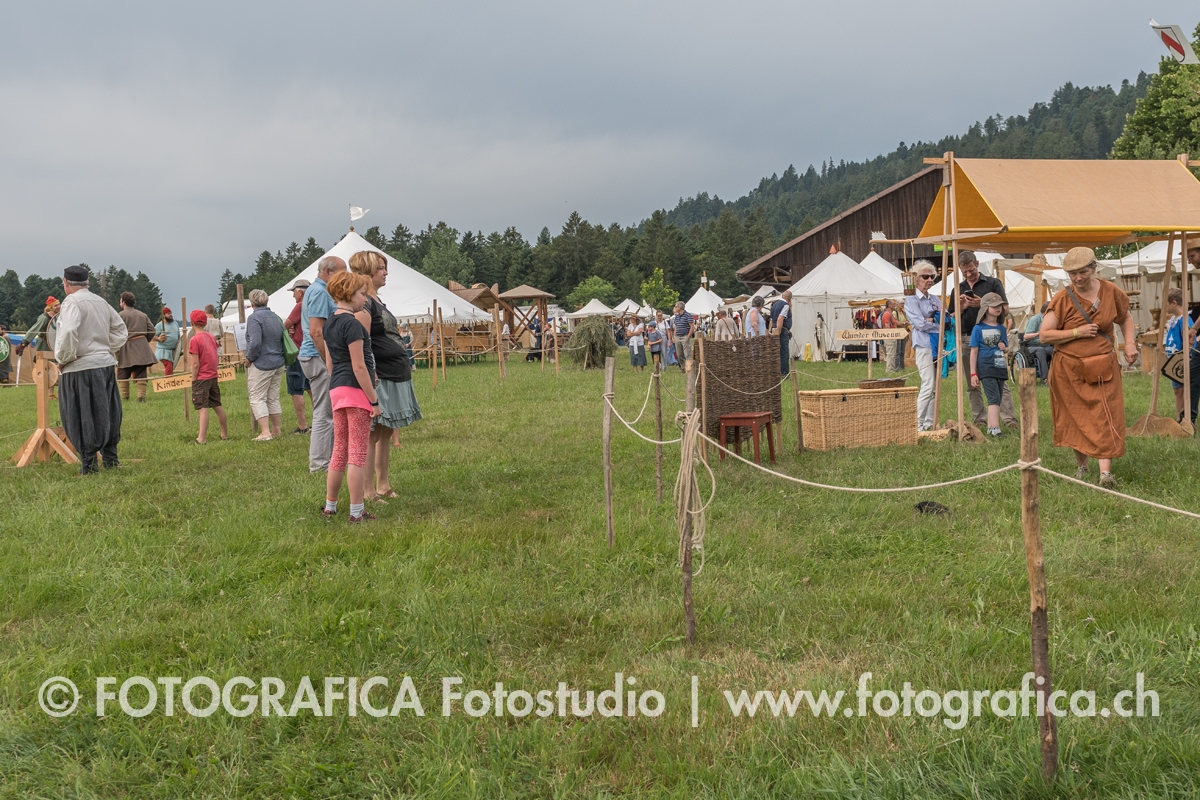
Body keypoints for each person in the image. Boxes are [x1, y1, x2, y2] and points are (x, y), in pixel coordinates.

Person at [1038, 247, 1137, 489]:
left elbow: (1125, 317)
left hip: (1103, 367)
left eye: (1082, 272)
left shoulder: (1111, 291)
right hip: (1068, 371)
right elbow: (1044, 335)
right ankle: (1082, 466)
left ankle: (1105, 474)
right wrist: (1076, 332)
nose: (1078, 278)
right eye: (1072, 274)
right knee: (1076, 418)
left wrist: (1130, 344)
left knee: (1106, 415)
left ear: (1094, 268)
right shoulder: (1062, 298)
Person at [350, 251, 421, 501]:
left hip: (395, 371)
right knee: (372, 434)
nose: (386, 272)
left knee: (386, 431)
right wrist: (372, 374)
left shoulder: (376, 300)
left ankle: (383, 484)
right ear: (367, 270)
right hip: (380, 375)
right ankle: (368, 490)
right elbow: (362, 343)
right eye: (381, 268)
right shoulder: (364, 304)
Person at [320, 270, 381, 523]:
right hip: (356, 391)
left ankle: (330, 506)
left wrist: (339, 384)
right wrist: (373, 400)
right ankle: (357, 511)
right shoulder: (353, 324)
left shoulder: (329, 323)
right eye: (361, 293)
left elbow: (330, 363)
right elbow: (359, 366)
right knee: (357, 454)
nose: (365, 299)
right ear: (348, 293)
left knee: (339, 451)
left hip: (337, 389)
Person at [53, 265, 127, 474]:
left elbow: (68, 331)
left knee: (81, 413)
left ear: (66, 282)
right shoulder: (101, 301)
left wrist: (64, 358)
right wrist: (104, 349)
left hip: (80, 367)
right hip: (104, 364)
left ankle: (89, 465)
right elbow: (121, 331)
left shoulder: (71, 302)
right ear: (87, 282)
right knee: (107, 412)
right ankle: (111, 460)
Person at [949, 250, 1017, 427]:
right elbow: (951, 318)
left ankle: (1009, 419)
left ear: (977, 264)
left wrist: (983, 304)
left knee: (998, 377)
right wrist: (962, 307)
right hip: (966, 338)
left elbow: (1005, 310)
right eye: (964, 272)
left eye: (971, 270)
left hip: (991, 337)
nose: (968, 274)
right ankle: (979, 420)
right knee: (972, 382)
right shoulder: (958, 289)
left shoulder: (993, 283)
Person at [300, 255, 348, 472]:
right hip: (317, 356)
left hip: (314, 356)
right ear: (328, 272)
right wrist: (330, 360)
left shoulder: (317, 290)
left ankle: (329, 459)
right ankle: (319, 464)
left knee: (328, 411)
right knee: (324, 412)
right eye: (342, 272)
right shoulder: (320, 292)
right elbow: (316, 331)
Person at [243, 289, 286, 441]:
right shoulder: (275, 317)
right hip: (278, 361)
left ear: (252, 302)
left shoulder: (254, 318)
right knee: (273, 397)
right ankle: (276, 430)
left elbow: (255, 343)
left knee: (257, 397)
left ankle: (265, 432)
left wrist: (249, 358)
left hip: (262, 363)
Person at [904, 261, 941, 431]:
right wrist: (937, 324)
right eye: (925, 276)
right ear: (916, 279)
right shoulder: (911, 299)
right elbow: (919, 324)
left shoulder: (934, 299)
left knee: (935, 387)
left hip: (937, 345)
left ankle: (929, 423)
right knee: (928, 384)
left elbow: (945, 318)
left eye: (932, 276)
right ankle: (916, 424)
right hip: (923, 345)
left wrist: (931, 321)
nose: (929, 280)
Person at [968, 293, 1010, 437]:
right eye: (994, 306)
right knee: (993, 398)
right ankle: (994, 429)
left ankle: (992, 427)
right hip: (986, 367)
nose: (998, 308)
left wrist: (1004, 347)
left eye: (1000, 305)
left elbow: (1006, 347)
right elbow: (974, 351)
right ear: (986, 308)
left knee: (998, 398)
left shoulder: (1002, 328)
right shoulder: (978, 329)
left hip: (1000, 366)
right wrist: (973, 373)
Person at [188, 309, 228, 444]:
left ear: (192, 323)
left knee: (202, 408)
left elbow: (195, 364)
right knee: (217, 405)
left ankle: (201, 438)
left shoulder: (194, 340)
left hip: (201, 378)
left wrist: (194, 380)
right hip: (213, 376)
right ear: (205, 323)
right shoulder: (211, 337)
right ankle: (224, 434)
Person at [116, 292, 158, 402]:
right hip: (141, 348)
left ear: (123, 302)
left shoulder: (120, 315)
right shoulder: (142, 315)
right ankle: (141, 398)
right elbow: (152, 330)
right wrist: (143, 341)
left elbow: (114, 331)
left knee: (123, 373)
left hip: (126, 348)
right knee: (141, 373)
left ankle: (125, 398)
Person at [283, 279, 312, 434]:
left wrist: (289, 329)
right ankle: (320, 422)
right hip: (311, 352)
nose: (293, 295)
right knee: (311, 388)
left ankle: (302, 425)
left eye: (294, 292)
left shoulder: (300, 306)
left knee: (296, 389)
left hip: (298, 352)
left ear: (300, 292)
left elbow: (284, 326)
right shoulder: (313, 305)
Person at [1163, 289, 1191, 423]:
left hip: (1181, 361)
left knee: (1184, 390)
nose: (1165, 307)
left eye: (1166, 303)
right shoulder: (1173, 320)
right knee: (1177, 390)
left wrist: (1186, 357)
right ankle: (1179, 417)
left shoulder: (1184, 320)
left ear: (1174, 303)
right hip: (1173, 361)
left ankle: (1186, 418)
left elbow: (1189, 341)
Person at [153, 307, 183, 376]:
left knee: (170, 367)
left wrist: (178, 348)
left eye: (171, 313)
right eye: (168, 313)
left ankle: (170, 380)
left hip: (172, 350)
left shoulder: (175, 323)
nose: (170, 315)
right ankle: (168, 381)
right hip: (163, 351)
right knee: (168, 366)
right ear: (164, 315)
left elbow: (178, 336)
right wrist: (159, 338)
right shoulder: (159, 325)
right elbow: (152, 336)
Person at [769, 290, 793, 376]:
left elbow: (771, 320)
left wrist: (770, 331)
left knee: (776, 352)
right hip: (782, 331)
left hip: (774, 329)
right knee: (784, 352)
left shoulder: (774, 305)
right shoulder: (785, 305)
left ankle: (777, 372)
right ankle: (784, 373)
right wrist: (778, 332)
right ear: (790, 299)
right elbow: (780, 318)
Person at [673, 301, 696, 373]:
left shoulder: (688, 315)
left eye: (676, 306)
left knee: (687, 353)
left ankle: (689, 369)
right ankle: (683, 368)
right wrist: (674, 335)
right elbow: (676, 326)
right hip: (678, 337)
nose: (675, 308)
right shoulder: (677, 316)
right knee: (679, 354)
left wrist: (688, 336)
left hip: (685, 336)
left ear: (680, 307)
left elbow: (692, 326)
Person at [879, 299, 900, 373]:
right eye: (893, 304)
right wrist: (892, 334)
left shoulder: (890, 314)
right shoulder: (887, 314)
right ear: (889, 305)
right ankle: (890, 370)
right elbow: (887, 326)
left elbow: (895, 323)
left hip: (892, 336)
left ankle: (891, 369)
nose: (895, 305)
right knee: (890, 353)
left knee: (892, 353)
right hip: (889, 336)